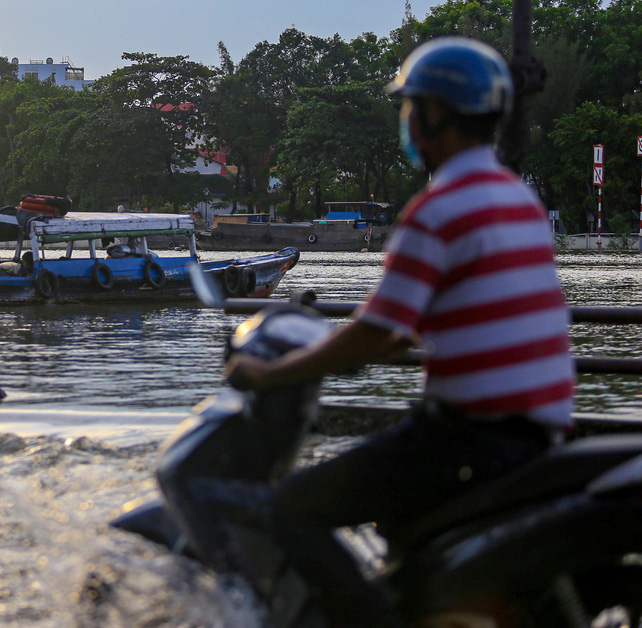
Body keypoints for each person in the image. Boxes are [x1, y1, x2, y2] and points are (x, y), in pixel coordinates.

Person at [224, 37, 574, 627]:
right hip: (542, 431)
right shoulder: (519, 200)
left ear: (437, 114)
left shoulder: (436, 211)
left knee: (289, 509)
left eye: (411, 109)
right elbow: (458, 312)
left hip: (469, 438)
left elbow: (377, 335)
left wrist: (270, 372)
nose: (407, 122)